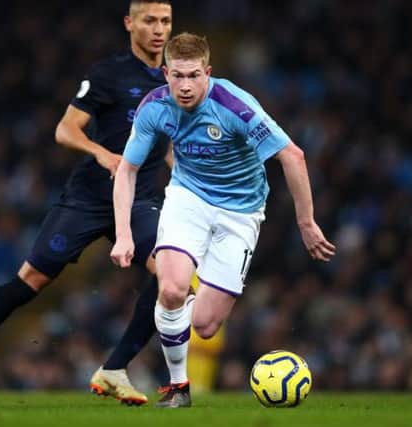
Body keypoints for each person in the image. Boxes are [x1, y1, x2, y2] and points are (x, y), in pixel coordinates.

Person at [0, 0, 173, 408]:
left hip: (141, 200)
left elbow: (171, 142)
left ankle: (115, 368)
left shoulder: (175, 77)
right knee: (31, 281)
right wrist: (102, 154)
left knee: (171, 275)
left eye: (165, 21)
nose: (159, 29)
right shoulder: (108, 73)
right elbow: (65, 130)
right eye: (149, 21)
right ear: (129, 24)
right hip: (89, 197)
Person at [110, 32, 336, 408]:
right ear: (165, 73)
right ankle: (179, 388)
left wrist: (306, 223)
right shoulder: (153, 108)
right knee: (170, 289)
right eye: (177, 76)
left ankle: (183, 303)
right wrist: (122, 235)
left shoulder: (234, 105)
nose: (185, 86)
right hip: (188, 199)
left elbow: (292, 156)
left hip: (241, 212)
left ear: (208, 72)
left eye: (193, 75)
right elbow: (127, 170)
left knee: (205, 325)